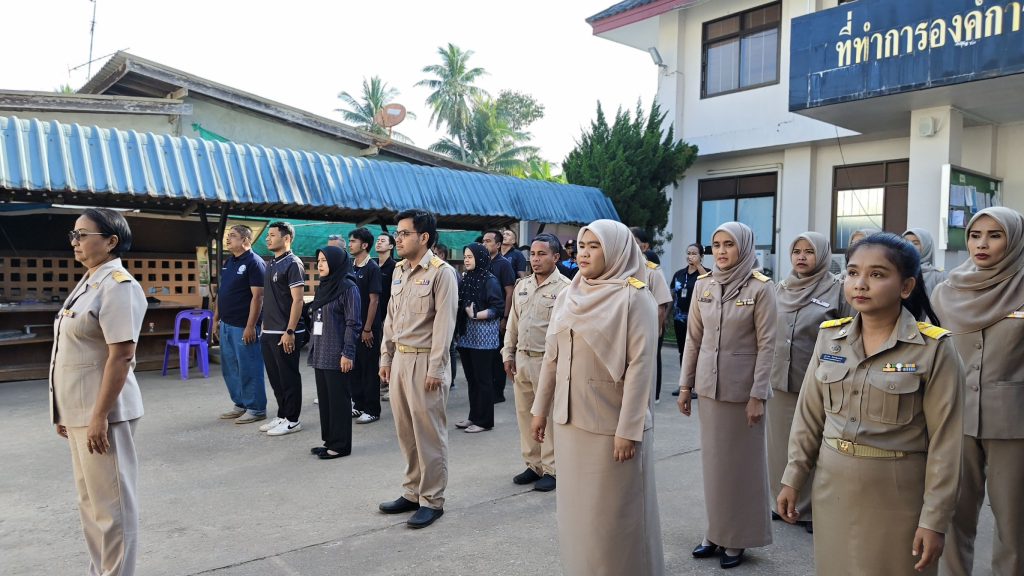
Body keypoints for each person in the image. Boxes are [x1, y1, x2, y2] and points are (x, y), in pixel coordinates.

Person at [779, 232, 963, 576]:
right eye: (852, 272)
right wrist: (793, 477)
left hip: (897, 494)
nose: (860, 283)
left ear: (906, 287)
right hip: (832, 487)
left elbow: (947, 444)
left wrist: (934, 520)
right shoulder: (830, 337)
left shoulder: (933, 349)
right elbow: (808, 417)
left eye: (877, 274)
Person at [530, 220, 664, 576]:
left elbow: (641, 368)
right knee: (578, 518)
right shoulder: (570, 293)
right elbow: (552, 356)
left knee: (613, 518)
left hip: (610, 426)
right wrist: (540, 409)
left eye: (595, 246)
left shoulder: (635, 297)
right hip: (570, 422)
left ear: (617, 250)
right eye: (582, 246)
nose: (584, 254)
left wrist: (628, 430)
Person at [52, 208, 147, 576]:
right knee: (91, 505)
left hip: (104, 414)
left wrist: (98, 417)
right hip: (79, 412)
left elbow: (121, 356)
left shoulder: (119, 285)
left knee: (113, 509)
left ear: (111, 241)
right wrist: (63, 411)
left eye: (83, 235)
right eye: (73, 235)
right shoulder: (89, 281)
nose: (75, 242)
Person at [677, 221, 776, 569]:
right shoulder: (704, 284)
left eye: (728, 244)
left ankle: (738, 537)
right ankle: (715, 532)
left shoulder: (761, 288)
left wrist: (758, 395)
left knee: (741, 469)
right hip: (710, 389)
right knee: (714, 468)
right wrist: (686, 386)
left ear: (744, 247)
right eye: (716, 244)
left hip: (743, 393)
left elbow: (767, 346)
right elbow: (693, 339)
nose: (720, 251)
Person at [932, 207, 1024, 576]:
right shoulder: (944, 292)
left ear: (1014, 241)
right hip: (955, 418)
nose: (981, 244)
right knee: (952, 515)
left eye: (994, 235)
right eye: (975, 235)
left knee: (1013, 521)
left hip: (1014, 424)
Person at [378, 209, 458, 529]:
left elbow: (444, 325)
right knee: (406, 432)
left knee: (429, 435)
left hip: (426, 361)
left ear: (424, 237)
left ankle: (432, 500)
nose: (397, 239)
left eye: (404, 233)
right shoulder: (399, 270)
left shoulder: (442, 273)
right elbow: (391, 317)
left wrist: (436, 369)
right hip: (401, 359)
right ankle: (412, 491)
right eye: (397, 233)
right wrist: (386, 357)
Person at [767, 232, 848, 534]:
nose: (801, 257)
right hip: (779, 380)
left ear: (823, 255)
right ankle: (781, 501)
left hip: (818, 381)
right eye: (796, 251)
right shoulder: (780, 288)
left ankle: (812, 508)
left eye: (809, 251)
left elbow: (850, 334)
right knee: (779, 445)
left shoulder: (837, 290)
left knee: (815, 446)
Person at [503, 233, 569, 492]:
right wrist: (508, 353)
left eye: (542, 254)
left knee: (548, 417)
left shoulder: (565, 289)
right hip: (523, 359)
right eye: (532, 254)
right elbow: (513, 323)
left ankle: (553, 468)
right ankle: (534, 464)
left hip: (548, 362)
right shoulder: (523, 286)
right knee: (525, 414)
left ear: (556, 257)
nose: (535, 259)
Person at [307, 246, 361, 459]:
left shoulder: (348, 288)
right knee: (326, 400)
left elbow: (353, 323)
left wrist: (348, 353)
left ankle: (340, 445)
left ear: (336, 263)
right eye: (319, 260)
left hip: (338, 354)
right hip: (321, 351)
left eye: (324, 261)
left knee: (339, 401)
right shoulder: (325, 286)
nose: (319, 264)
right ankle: (329, 440)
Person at [211, 225, 267, 424]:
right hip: (227, 324)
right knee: (230, 368)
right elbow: (222, 292)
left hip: (244, 326)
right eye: (228, 236)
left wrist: (251, 326)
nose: (228, 239)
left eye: (233, 236)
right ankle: (241, 404)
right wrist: (216, 318)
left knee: (249, 366)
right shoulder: (229, 262)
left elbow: (258, 297)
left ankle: (256, 408)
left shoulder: (254, 263)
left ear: (245, 240)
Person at [258, 221, 307, 437]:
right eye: (267, 235)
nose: (267, 239)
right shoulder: (270, 263)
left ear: (286, 238)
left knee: (288, 377)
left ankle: (293, 420)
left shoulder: (293, 263)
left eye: (272, 235)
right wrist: (263, 325)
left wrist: (290, 331)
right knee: (275, 378)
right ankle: (282, 414)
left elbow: (298, 301)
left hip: (285, 333)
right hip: (268, 331)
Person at [454, 243, 505, 433]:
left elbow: (497, 308)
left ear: (480, 258)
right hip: (466, 336)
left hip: (484, 339)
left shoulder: (490, 280)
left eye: (470, 257)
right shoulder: (467, 278)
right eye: (465, 256)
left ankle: (484, 421)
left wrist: (475, 315)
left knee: (483, 380)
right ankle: (473, 417)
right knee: (472, 380)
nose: (466, 260)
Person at [630, 228, 672, 403]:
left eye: (634, 241)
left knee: (649, 364)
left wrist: (656, 331)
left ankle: (651, 397)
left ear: (645, 246)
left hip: (648, 330)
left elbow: (661, 307)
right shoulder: (620, 269)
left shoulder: (652, 271)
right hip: (627, 330)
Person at [348, 227, 382, 424]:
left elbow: (374, 300)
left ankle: (372, 409)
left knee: (369, 369)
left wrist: (367, 328)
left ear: (364, 245)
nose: (350, 244)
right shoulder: (350, 267)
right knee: (354, 368)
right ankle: (358, 404)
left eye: (353, 241)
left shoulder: (372, 268)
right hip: (352, 327)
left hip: (367, 329)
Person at [482, 229, 516, 402]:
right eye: (483, 241)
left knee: (498, 356)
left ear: (498, 245)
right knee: (487, 356)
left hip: (499, 316)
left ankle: (498, 393)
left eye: (488, 241)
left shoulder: (504, 264)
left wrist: (505, 317)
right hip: (484, 317)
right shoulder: (482, 262)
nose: (484, 244)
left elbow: (509, 292)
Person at [670, 243, 707, 399]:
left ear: (701, 256)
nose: (690, 256)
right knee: (683, 352)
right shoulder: (679, 274)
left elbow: (709, 285)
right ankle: (684, 385)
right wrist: (666, 317)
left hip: (698, 320)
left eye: (694, 253)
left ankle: (697, 386)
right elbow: (672, 295)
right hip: (679, 319)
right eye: (688, 253)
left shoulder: (705, 273)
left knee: (697, 351)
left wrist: (698, 266)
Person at [376, 232, 397, 402]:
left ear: (391, 246)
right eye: (378, 240)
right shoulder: (372, 265)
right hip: (374, 317)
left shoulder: (395, 267)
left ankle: (392, 386)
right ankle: (382, 382)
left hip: (389, 317)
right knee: (378, 352)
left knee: (391, 352)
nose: (379, 242)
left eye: (383, 241)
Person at [902, 228, 947, 297]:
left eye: (915, 243)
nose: (909, 246)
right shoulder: (896, 271)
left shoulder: (938, 275)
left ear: (926, 247)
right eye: (906, 242)